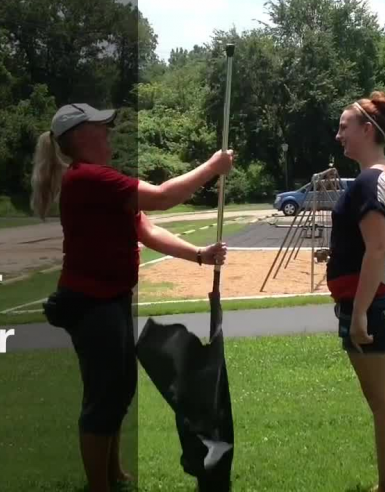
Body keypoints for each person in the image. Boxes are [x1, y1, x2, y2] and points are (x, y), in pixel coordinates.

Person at [30, 103, 234, 492]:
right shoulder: (88, 178)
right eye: (100, 127)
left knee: (118, 387)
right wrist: (211, 167)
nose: (109, 132)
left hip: (111, 299)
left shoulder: (101, 179)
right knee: (103, 396)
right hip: (92, 303)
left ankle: (114, 471)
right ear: (78, 136)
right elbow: (160, 197)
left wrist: (199, 255)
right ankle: (99, 485)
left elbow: (145, 227)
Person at [327, 92, 385, 492]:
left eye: (345, 127)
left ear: (366, 130)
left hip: (375, 299)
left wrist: (359, 312)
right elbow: (371, 243)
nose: (339, 134)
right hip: (381, 295)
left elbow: (378, 249)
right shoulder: (384, 176)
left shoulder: (369, 180)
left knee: (384, 402)